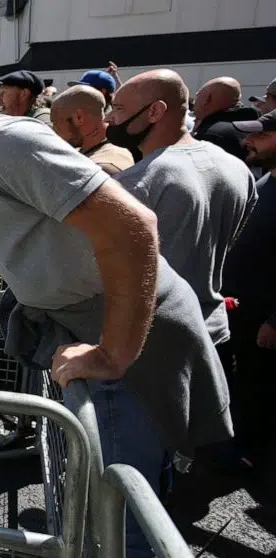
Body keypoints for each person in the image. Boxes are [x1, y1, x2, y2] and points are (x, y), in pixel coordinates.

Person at [0, 68, 231, 558]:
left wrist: (112, 353)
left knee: (122, 520)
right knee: (127, 497)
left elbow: (133, 226)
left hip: (118, 333)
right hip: (103, 323)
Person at [108, 69, 256, 345]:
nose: (110, 117)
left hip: (153, 340)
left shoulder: (138, 182)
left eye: (118, 108)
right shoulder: (235, 167)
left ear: (155, 111)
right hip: (212, 330)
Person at [219, 109, 276, 470]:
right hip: (241, 313)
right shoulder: (263, 180)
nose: (248, 142)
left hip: (265, 322)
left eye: (260, 136)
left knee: (261, 392)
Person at [51, 85, 134, 174]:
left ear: (79, 117)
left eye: (56, 122)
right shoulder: (89, 152)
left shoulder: (102, 168)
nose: (54, 130)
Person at [192, 77, 260, 161]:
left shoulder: (211, 136)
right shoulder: (254, 128)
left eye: (198, 94)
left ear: (207, 99)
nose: (194, 101)